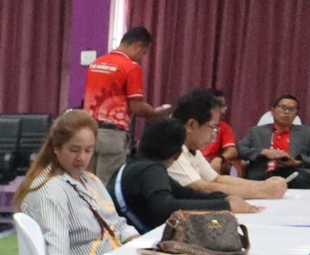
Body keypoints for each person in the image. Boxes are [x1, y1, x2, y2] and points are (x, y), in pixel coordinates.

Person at [13, 110, 126, 255]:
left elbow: (117, 226)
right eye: (74, 150)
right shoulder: (51, 191)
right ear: (56, 147)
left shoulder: (90, 180)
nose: (82, 157)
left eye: (88, 150)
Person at [115, 118, 251, 231]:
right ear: (178, 154)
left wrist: (224, 199)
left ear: (140, 143)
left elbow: (184, 193)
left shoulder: (136, 165)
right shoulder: (151, 170)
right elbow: (166, 206)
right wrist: (224, 206)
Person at [83, 27, 170, 185]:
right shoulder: (131, 67)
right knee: (107, 185)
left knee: (86, 182)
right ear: (137, 45)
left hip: (87, 130)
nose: (141, 57)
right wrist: (157, 112)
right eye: (143, 52)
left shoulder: (96, 63)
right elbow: (136, 107)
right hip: (112, 135)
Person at [169, 88, 286, 204]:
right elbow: (200, 187)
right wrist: (261, 191)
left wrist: (264, 184)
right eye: (213, 127)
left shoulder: (192, 147)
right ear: (191, 125)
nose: (214, 135)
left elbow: (217, 179)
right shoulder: (172, 149)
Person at [237, 93, 310, 188]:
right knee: (258, 177)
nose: (286, 112)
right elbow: (240, 149)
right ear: (273, 110)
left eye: (291, 109)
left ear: (296, 114)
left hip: (296, 172)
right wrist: (264, 152)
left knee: (301, 179)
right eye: (283, 107)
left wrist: (297, 162)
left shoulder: (308, 133)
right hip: (264, 170)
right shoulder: (256, 132)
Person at [199, 90, 239, 174]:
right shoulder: (193, 125)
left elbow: (232, 151)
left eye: (223, 105)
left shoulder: (224, 127)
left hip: (211, 166)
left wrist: (220, 158)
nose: (223, 110)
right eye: (220, 105)